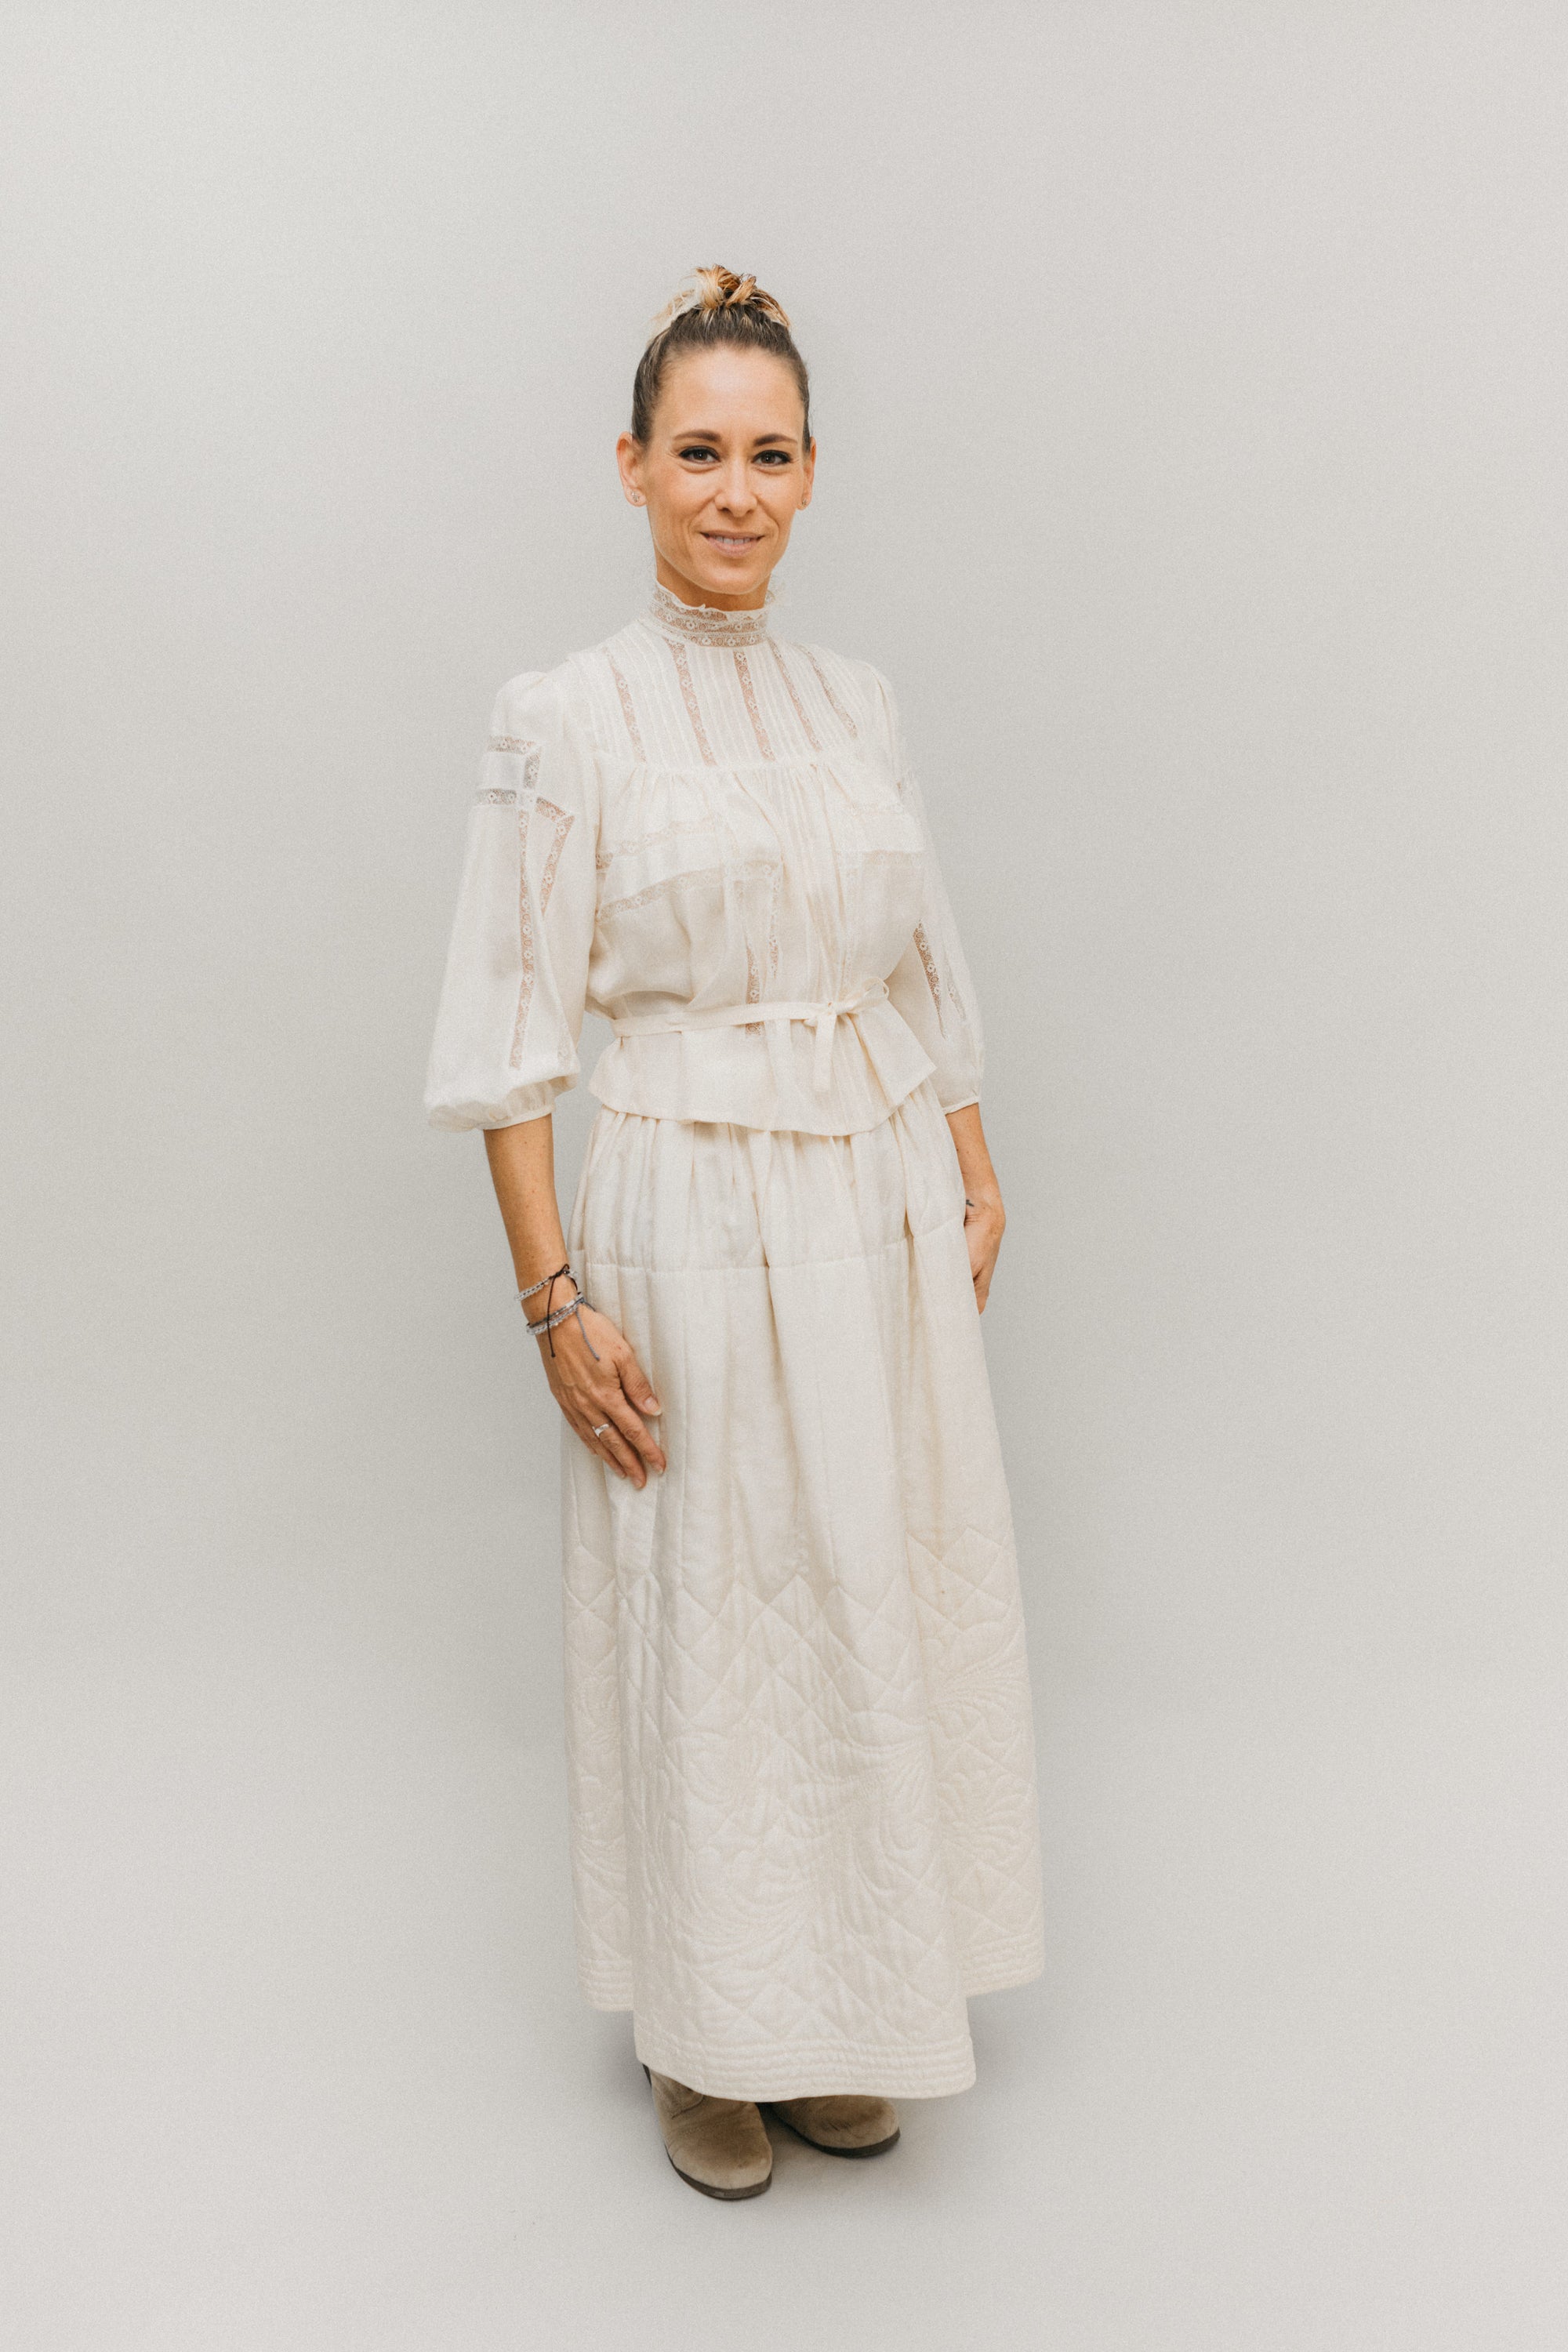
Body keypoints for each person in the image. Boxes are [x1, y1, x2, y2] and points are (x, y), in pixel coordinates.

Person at [425, 267, 1045, 2200]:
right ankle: (709, 2031)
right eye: (697, 450)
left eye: (771, 453)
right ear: (628, 467)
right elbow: (510, 1031)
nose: (735, 489)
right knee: (710, 1604)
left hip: (864, 1194)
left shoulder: (857, 700)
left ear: (809, 475)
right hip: (681, 1197)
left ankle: (847, 2003)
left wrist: (970, 1148)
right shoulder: (565, 714)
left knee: (860, 1581)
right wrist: (551, 1299)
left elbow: (921, 951)